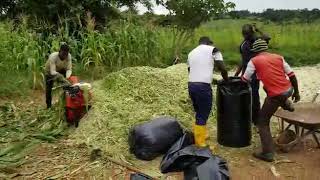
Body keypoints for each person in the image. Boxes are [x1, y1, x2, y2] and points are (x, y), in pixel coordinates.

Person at [241, 39, 300, 162]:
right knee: (266, 87)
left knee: (262, 122)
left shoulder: (254, 60)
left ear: (255, 51)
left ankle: (267, 153)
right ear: (266, 49)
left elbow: (245, 79)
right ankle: (287, 104)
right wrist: (297, 92)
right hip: (288, 89)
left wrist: (240, 82)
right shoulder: (278, 57)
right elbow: (292, 75)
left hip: (276, 95)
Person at [187, 36, 229, 148]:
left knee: (199, 110)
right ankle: (200, 143)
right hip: (203, 86)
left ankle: (202, 134)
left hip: (191, 84)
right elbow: (222, 68)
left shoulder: (191, 53)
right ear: (209, 43)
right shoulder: (213, 50)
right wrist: (227, 80)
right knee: (204, 111)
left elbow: (190, 70)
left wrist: (210, 79)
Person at [235, 24, 271, 125]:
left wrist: (258, 30)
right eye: (244, 34)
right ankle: (248, 116)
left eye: (247, 34)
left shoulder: (256, 41)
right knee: (246, 94)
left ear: (252, 33)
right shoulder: (243, 43)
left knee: (254, 95)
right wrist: (237, 73)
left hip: (254, 73)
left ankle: (257, 119)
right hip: (245, 72)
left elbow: (267, 37)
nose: (245, 35)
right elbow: (243, 59)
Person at [45, 44, 72, 108]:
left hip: (60, 69)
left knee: (67, 85)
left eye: (66, 54)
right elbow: (53, 72)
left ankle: (65, 102)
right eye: (63, 54)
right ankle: (49, 106)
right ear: (59, 51)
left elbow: (69, 69)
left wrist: (67, 78)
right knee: (49, 89)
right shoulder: (53, 57)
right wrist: (62, 78)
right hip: (50, 71)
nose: (64, 56)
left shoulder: (68, 56)